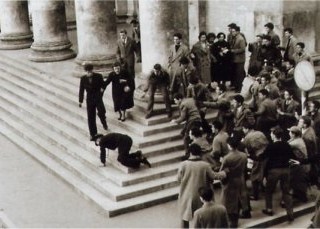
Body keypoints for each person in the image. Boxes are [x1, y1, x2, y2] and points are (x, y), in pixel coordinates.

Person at [177, 143, 224, 228]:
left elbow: (178, 179)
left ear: (190, 152)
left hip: (186, 195)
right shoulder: (205, 165)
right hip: (201, 194)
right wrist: (223, 173)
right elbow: (214, 176)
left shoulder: (183, 164)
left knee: (184, 217)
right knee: (201, 217)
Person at [261, 126, 295, 222]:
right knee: (286, 192)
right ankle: (290, 213)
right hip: (285, 170)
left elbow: (264, 158)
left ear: (274, 135)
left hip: (274, 171)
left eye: (271, 134)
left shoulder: (271, 146)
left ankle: (269, 209)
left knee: (269, 191)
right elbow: (292, 156)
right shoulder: (287, 145)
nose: (270, 135)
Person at [219, 136, 248, 228]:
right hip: (239, 178)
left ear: (229, 145)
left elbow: (222, 172)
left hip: (230, 181)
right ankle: (235, 220)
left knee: (228, 202)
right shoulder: (244, 155)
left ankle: (231, 222)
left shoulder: (227, 158)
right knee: (238, 200)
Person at [78, 63, 108, 140]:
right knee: (90, 116)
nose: (88, 73)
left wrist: (102, 89)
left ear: (92, 70)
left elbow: (104, 84)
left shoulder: (98, 76)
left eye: (90, 71)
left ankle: (104, 122)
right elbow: (81, 90)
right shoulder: (83, 79)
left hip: (98, 97)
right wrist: (80, 101)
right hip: (90, 99)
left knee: (101, 111)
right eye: (87, 72)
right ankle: (93, 134)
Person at [242, 122, 269, 200]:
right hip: (267, 155)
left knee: (255, 176)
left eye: (244, 129)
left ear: (247, 129)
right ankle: (264, 188)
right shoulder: (260, 133)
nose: (243, 131)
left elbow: (246, 149)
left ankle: (255, 195)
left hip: (258, 157)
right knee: (265, 173)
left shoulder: (247, 138)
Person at [171, 93, 202, 160]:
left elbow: (182, 117)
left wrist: (175, 121)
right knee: (183, 133)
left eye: (175, 100)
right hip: (197, 119)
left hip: (192, 121)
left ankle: (188, 154)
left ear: (179, 99)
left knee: (186, 137)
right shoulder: (190, 100)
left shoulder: (183, 104)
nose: (175, 102)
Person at [168, 32, 190, 97]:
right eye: (174, 39)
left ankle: (183, 96)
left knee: (182, 83)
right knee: (172, 82)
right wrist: (169, 64)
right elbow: (170, 57)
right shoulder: (171, 47)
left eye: (177, 39)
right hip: (173, 66)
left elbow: (187, 58)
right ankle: (172, 96)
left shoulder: (184, 48)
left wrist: (185, 67)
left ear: (180, 40)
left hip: (180, 66)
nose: (175, 41)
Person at [229, 26, 246, 92]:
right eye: (232, 31)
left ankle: (240, 88)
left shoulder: (241, 39)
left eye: (233, 31)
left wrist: (233, 51)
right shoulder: (235, 38)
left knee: (239, 74)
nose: (232, 32)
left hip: (240, 59)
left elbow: (242, 49)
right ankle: (236, 86)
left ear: (238, 31)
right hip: (235, 59)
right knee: (236, 73)